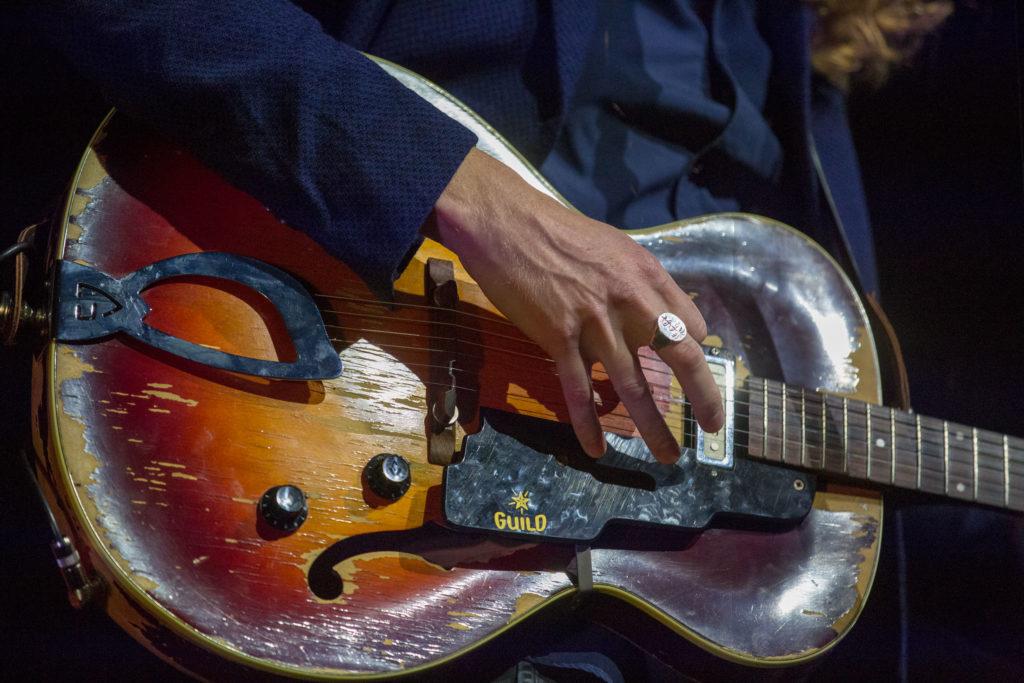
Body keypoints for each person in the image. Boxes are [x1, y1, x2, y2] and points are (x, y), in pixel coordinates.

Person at [8, 0, 1019, 680]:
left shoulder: (807, 67)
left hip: (603, 612)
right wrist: (463, 194)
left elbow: (822, 494)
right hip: (352, 474)